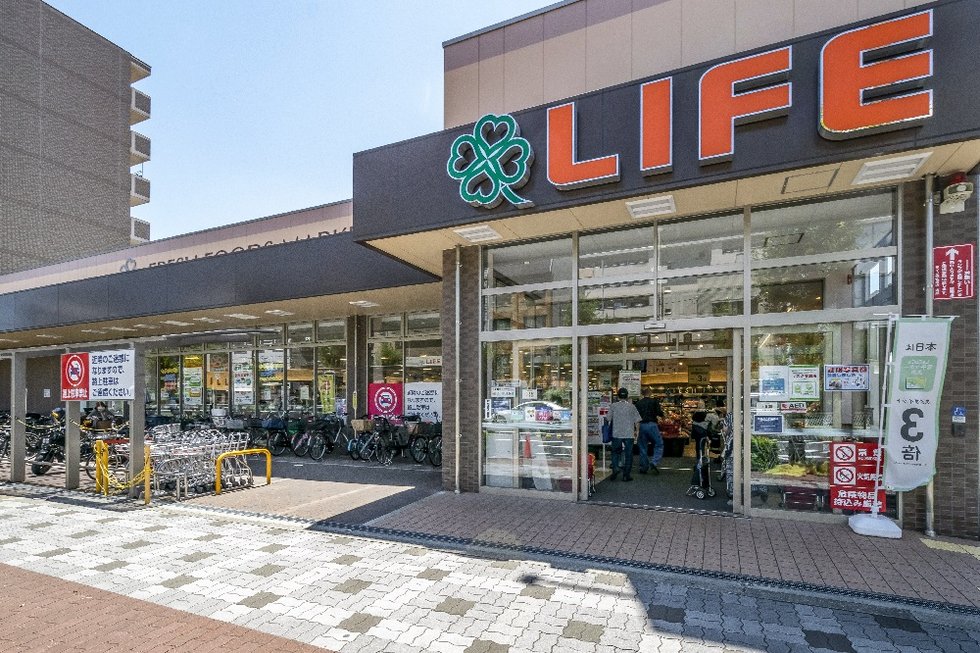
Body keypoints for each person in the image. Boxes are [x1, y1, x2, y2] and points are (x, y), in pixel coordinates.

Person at [606, 387, 641, 481]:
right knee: (628, 454)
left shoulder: (613, 406)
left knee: (615, 452)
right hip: (629, 434)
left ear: (618, 397)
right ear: (627, 396)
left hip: (616, 433)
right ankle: (626, 475)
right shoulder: (632, 406)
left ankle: (615, 468)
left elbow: (608, 418)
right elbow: (637, 421)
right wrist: (637, 432)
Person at [634, 386, 664, 474]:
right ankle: (654, 462)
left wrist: (636, 429)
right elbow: (659, 413)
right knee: (659, 444)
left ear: (642, 393)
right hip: (652, 425)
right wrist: (662, 415)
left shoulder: (638, 403)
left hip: (642, 425)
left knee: (643, 446)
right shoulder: (654, 401)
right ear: (650, 393)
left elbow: (636, 417)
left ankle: (644, 467)